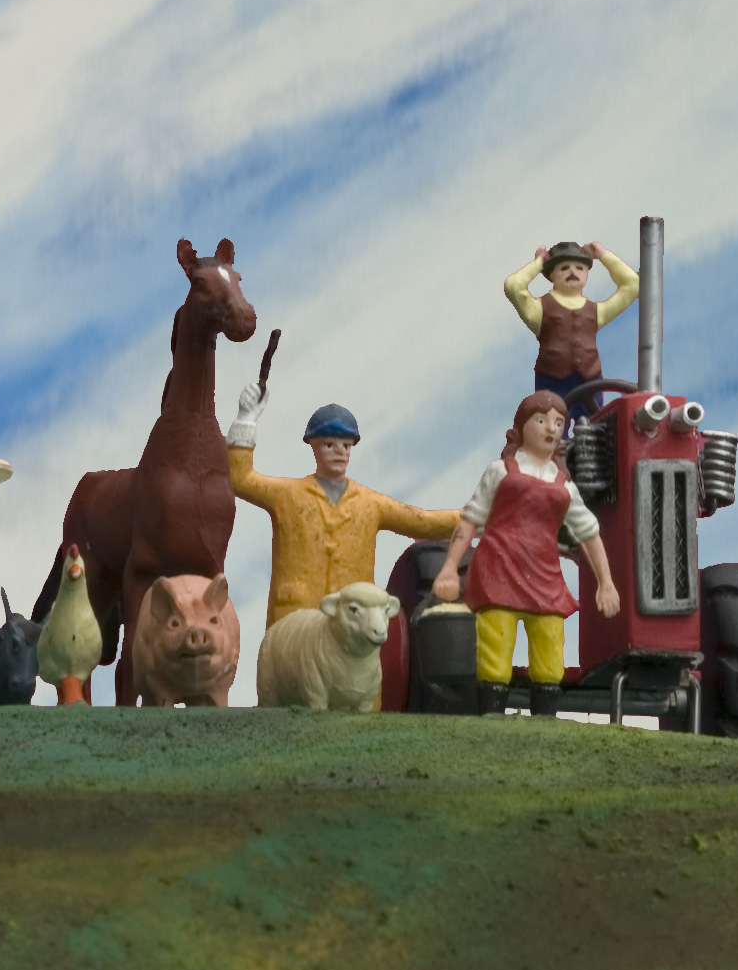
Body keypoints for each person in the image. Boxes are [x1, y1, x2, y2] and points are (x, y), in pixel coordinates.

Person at [430, 391, 620, 712]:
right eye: (542, 420)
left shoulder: (565, 486)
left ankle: (544, 720)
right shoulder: (501, 471)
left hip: (544, 577)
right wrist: (449, 568)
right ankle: (491, 716)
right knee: (496, 646)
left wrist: (606, 582)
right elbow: (470, 520)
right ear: (523, 426)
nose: (551, 428)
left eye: (559, 422)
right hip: (498, 572)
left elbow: (589, 533)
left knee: (550, 647)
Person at [225, 384, 458, 632]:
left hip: (352, 626)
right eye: (329, 445)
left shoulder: (370, 504)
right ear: (313, 446)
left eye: (346, 446)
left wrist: (477, 516)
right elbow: (240, 479)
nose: (340, 452)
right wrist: (246, 419)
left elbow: (422, 521)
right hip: (296, 621)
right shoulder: (287, 495)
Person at [501, 240, 639, 412]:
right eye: (564, 268)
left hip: (590, 380)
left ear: (586, 274)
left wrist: (602, 255)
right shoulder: (540, 310)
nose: (573, 272)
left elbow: (633, 284)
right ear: (552, 274)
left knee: (596, 424)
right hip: (552, 381)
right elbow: (513, 285)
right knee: (552, 424)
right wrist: (538, 263)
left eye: (579, 268)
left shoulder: (596, 312)